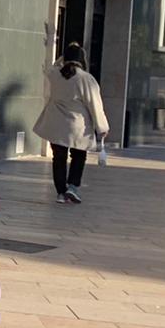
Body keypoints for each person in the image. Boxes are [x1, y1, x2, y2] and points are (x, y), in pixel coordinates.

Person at [33, 31, 108, 205]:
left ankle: (60, 192)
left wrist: (63, 57)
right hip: (78, 126)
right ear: (82, 60)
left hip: (57, 124)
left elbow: (51, 66)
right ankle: (72, 187)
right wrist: (102, 127)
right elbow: (95, 104)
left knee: (58, 158)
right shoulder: (86, 79)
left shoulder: (56, 74)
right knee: (78, 156)